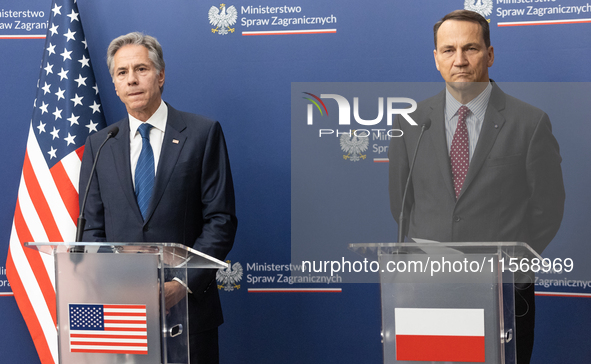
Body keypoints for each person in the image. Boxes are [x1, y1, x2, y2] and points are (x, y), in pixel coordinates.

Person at [388, 10, 565, 364]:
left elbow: (548, 208)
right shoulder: (410, 123)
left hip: (504, 293)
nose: (460, 60)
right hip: (429, 287)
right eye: (449, 50)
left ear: (490, 54)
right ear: (435, 58)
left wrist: (511, 266)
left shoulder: (529, 123)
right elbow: (402, 204)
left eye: (470, 48)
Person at [79, 32, 237, 364]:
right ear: (115, 83)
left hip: (189, 313)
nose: (132, 80)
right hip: (122, 312)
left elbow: (220, 220)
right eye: (122, 73)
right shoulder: (100, 144)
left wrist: (183, 282)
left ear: (160, 75)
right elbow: (91, 227)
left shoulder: (201, 134)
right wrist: (112, 284)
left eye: (141, 69)